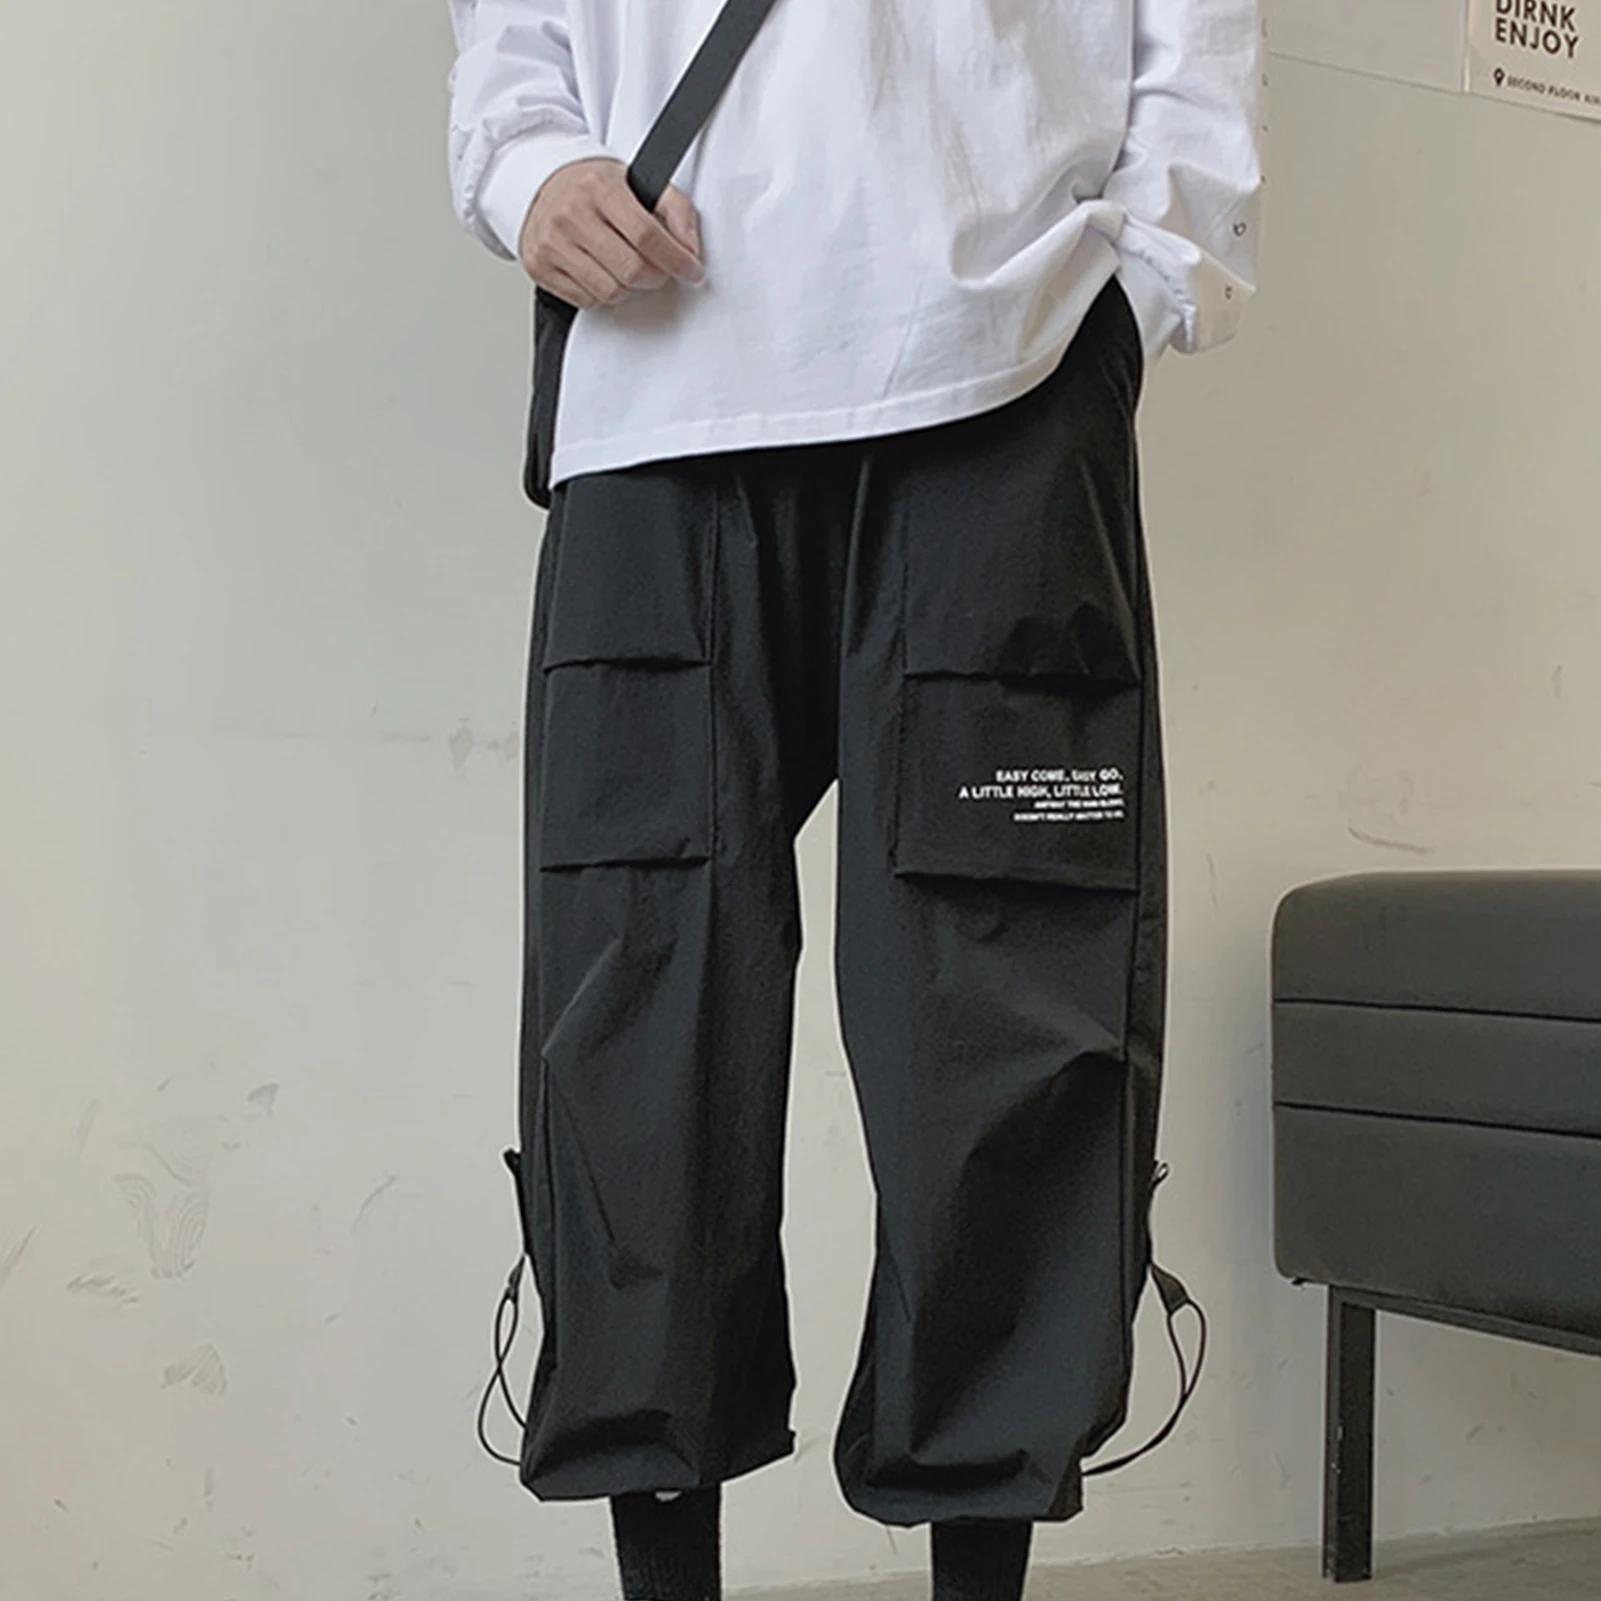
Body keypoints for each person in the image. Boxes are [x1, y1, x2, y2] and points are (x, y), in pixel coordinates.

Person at [445, 4, 1264, 1599]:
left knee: (1006, 1018)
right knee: (638, 1021)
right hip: (660, 394)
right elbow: (509, 37)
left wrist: (1141, 285)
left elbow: (1198, 29)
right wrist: (529, 169)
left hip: (1003, 375)